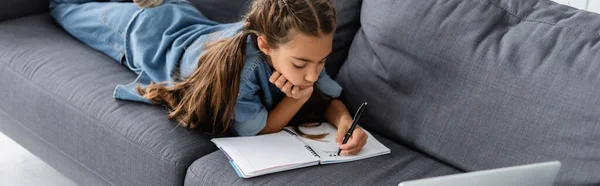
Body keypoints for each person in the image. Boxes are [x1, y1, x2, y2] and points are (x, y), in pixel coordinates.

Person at [50, 0, 367, 155]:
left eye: (321, 61)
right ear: (266, 45)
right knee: (63, 6)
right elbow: (256, 132)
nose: (313, 73)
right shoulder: (245, 72)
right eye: (302, 64)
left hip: (183, 16)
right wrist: (297, 98)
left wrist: (344, 122)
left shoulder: (303, 51)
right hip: (143, 32)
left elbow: (328, 96)